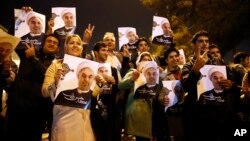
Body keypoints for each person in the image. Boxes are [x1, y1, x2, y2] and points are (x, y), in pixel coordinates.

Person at [181, 30, 241, 141]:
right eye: (200, 41)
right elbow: (186, 86)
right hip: (199, 117)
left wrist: (230, 85)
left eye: (207, 41)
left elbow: (235, 84)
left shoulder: (219, 63)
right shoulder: (188, 66)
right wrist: (196, 68)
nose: (204, 43)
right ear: (193, 45)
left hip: (220, 115)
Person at [51, 61, 95, 141]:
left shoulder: (94, 96)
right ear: (78, 76)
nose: (86, 80)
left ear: (93, 79)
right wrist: (56, 83)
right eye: (83, 76)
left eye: (90, 77)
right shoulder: (64, 93)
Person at [90, 41, 120, 141]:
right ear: (96, 53)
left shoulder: (113, 70)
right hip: (94, 111)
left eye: (107, 51)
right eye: (103, 50)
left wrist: (114, 83)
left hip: (110, 111)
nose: (106, 53)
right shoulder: (90, 68)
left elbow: (118, 91)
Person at [159, 47, 185, 141]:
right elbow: (160, 94)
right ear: (166, 60)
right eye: (171, 57)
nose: (175, 59)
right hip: (174, 113)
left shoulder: (185, 70)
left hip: (188, 110)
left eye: (176, 56)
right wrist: (163, 100)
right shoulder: (162, 76)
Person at [0, 28, 20, 139]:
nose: (3, 53)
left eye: (7, 51)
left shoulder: (8, 66)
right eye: (1, 49)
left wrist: (6, 77)